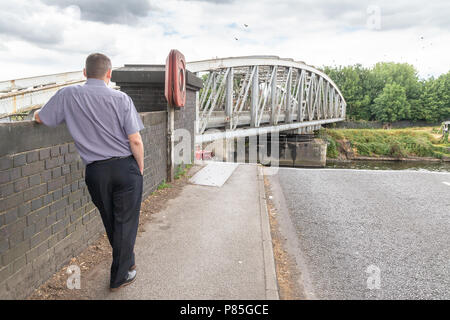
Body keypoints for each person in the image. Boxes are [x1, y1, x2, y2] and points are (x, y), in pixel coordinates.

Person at [34, 53, 144, 292]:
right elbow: (135, 140)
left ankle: (127, 261)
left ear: (84, 72)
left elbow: (40, 118)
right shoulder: (121, 98)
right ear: (109, 73)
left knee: (111, 220)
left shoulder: (68, 94)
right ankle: (120, 275)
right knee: (125, 220)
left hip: (96, 171)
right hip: (125, 166)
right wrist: (139, 169)